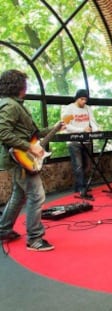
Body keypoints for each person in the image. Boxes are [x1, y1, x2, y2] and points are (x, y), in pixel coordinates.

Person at [0, 69, 64, 251]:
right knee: (37, 196)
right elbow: (2, 132)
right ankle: (34, 239)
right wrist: (29, 147)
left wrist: (55, 128)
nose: (26, 88)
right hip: (19, 160)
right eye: (25, 84)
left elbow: (31, 135)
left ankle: (3, 229)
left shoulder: (14, 104)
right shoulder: (10, 106)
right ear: (19, 86)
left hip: (17, 159)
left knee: (19, 195)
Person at [61, 89, 99, 200]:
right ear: (77, 98)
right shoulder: (69, 109)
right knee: (78, 165)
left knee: (87, 165)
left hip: (86, 140)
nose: (84, 102)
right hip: (74, 141)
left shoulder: (88, 109)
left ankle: (81, 185)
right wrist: (82, 129)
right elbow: (66, 125)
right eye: (82, 99)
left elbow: (93, 121)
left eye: (85, 100)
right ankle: (81, 187)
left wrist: (95, 130)